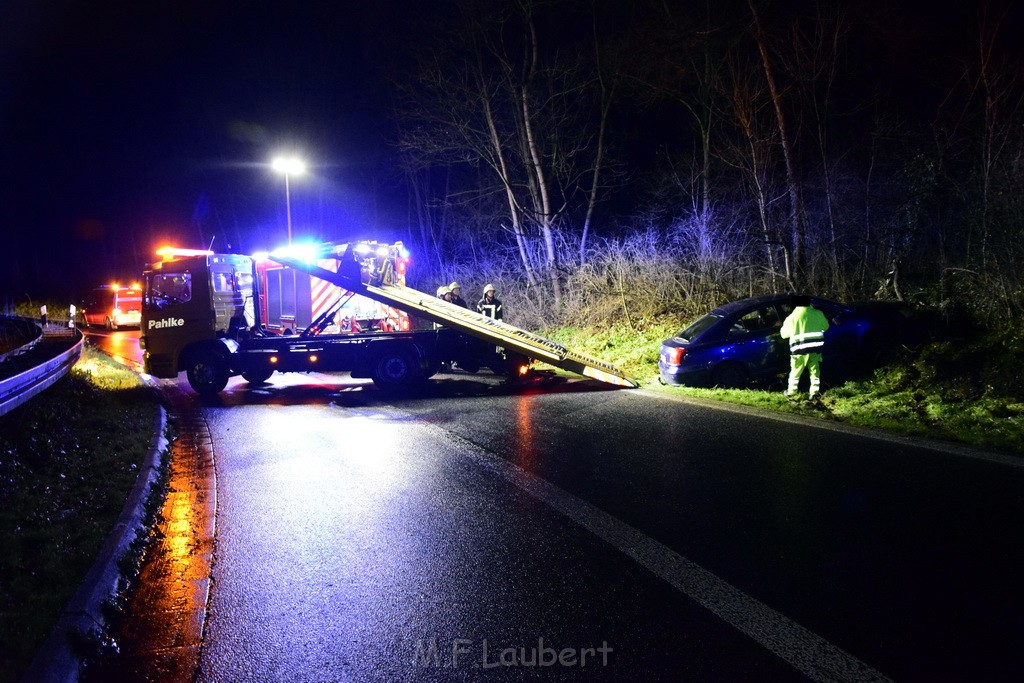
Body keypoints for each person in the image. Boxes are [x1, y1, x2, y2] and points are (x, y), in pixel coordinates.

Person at [780, 295, 829, 399]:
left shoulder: (791, 318)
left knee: (795, 372)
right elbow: (826, 327)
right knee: (815, 372)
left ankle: (791, 392)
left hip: (799, 350)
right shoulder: (818, 314)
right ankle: (814, 394)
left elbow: (784, 334)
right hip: (815, 349)